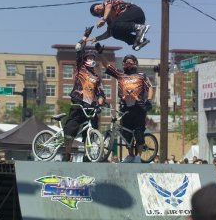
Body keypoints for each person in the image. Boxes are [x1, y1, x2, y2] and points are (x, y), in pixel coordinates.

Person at [99, 51, 154, 163]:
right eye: (126, 62)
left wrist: (149, 100)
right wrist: (100, 53)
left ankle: (138, 157)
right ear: (123, 64)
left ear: (135, 64)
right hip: (125, 109)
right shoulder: (120, 75)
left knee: (138, 133)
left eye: (131, 62)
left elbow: (150, 88)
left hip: (139, 108)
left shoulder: (142, 76)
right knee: (126, 134)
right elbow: (108, 66)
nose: (128, 64)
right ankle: (131, 155)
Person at [63, 27, 105, 162]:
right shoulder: (81, 68)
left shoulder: (97, 77)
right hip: (78, 104)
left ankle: (88, 157)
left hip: (90, 107)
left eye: (93, 57)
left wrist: (99, 103)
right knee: (70, 130)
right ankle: (67, 156)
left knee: (91, 131)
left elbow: (101, 94)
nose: (91, 59)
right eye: (89, 57)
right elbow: (78, 49)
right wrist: (85, 36)